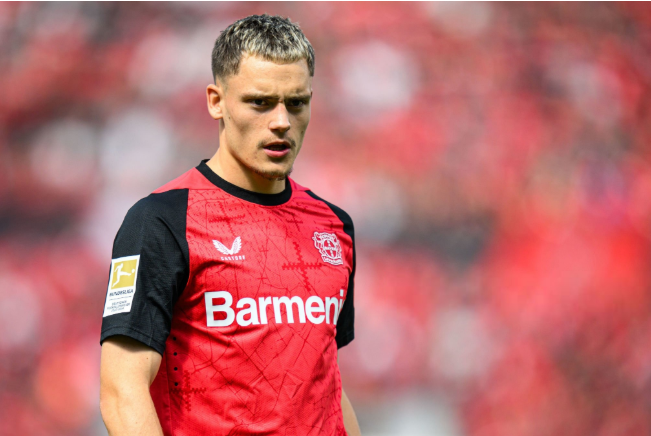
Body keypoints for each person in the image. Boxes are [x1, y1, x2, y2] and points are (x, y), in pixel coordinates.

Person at [99, 14, 362, 436]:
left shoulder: (334, 226)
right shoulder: (161, 221)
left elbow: (328, 381)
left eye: (296, 103)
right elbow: (121, 391)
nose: (281, 121)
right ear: (216, 101)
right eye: (260, 102)